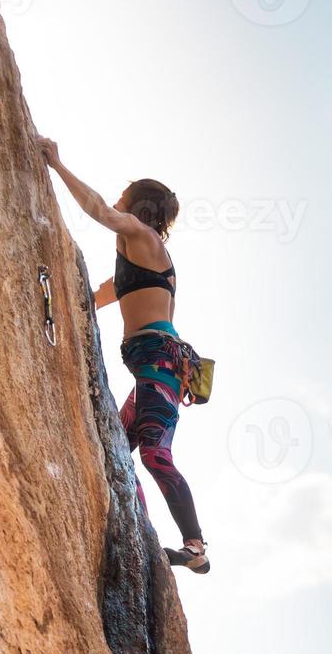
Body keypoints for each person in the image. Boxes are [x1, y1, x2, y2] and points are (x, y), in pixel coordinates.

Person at [38, 136, 209, 574]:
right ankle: (142, 533)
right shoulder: (135, 258)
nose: (116, 199)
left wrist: (56, 164)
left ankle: (195, 547)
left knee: (154, 453)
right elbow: (99, 296)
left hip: (163, 367)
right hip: (150, 369)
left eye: (124, 198)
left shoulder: (144, 236)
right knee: (113, 449)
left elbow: (99, 210)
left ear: (137, 208)